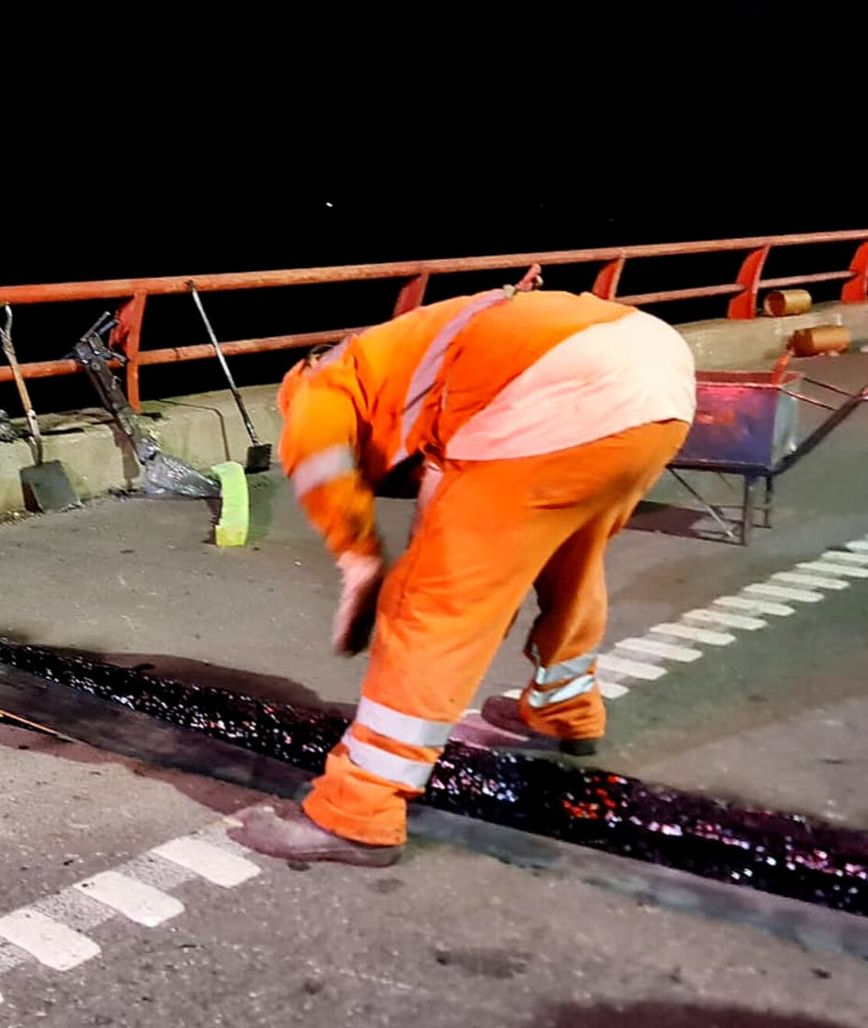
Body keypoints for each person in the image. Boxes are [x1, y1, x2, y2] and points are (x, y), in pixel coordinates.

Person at [230, 276, 695, 866]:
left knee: (429, 607)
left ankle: (358, 813)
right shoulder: (411, 355)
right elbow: (443, 481)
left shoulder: (320, 385)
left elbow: (321, 460)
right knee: (570, 560)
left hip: (549, 390)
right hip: (654, 382)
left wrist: (359, 560)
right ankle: (563, 710)